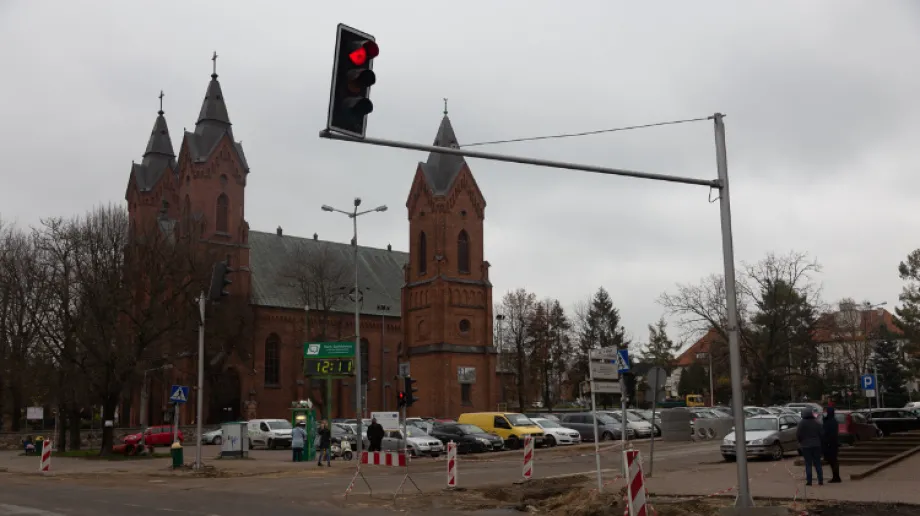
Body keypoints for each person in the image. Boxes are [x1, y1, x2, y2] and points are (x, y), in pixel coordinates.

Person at [796, 408, 825, 486]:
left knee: (808, 464)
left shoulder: (801, 423)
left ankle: (809, 481)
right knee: (818, 463)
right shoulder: (817, 422)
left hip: (806, 446)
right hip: (816, 445)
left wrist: (800, 441)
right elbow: (822, 434)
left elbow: (798, 434)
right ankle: (820, 480)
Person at [823, 406, 842, 483]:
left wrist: (827, 442)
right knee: (832, 461)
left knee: (833, 461)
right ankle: (836, 476)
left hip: (830, 444)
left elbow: (829, 433)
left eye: (825, 411)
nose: (824, 413)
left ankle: (836, 477)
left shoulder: (831, 422)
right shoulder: (831, 420)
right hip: (831, 444)